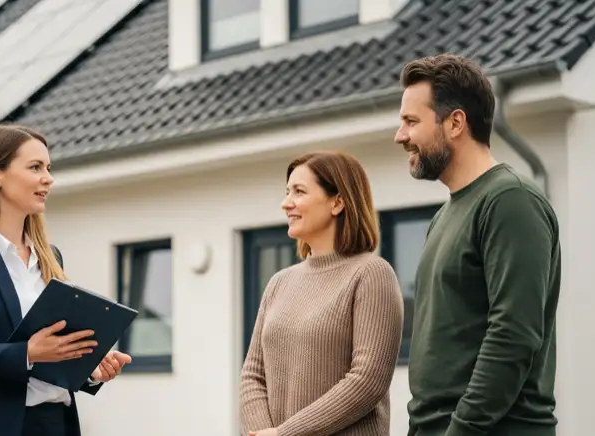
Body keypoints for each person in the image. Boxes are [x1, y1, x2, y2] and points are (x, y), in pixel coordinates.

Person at [0, 124, 132, 436]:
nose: (48, 178)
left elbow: (48, 358)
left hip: (54, 424)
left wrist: (86, 368)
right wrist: (27, 353)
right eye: (35, 167)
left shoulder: (50, 257)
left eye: (48, 168)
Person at [394, 53, 561, 436]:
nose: (400, 136)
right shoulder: (444, 216)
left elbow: (513, 335)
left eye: (411, 121)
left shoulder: (510, 201)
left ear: (455, 123)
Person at [239, 150, 404, 436]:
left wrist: (286, 434)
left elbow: (367, 381)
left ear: (338, 202)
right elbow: (252, 374)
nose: (285, 203)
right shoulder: (279, 282)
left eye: (299, 192)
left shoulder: (371, 274)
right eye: (286, 192)